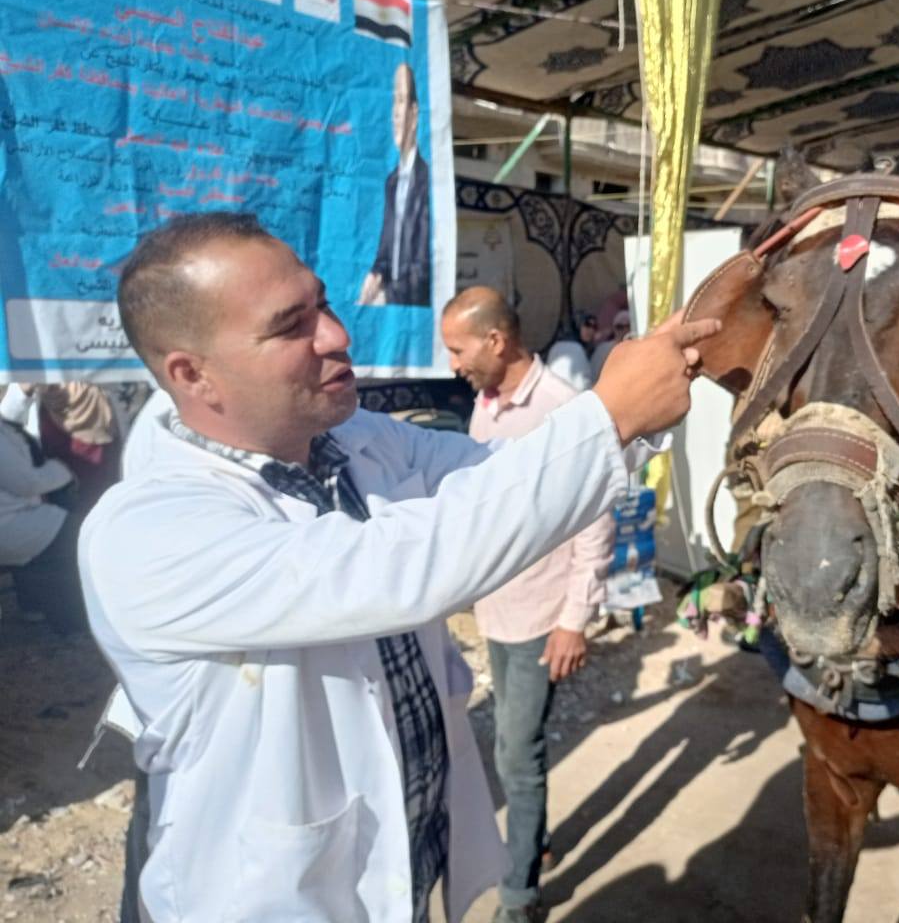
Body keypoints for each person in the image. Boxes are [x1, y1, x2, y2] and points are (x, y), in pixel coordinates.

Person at [79, 212, 718, 922]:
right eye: (291, 326)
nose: (337, 335)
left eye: (322, 303)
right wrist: (609, 417)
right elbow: (405, 561)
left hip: (406, 859)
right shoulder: (145, 534)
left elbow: (493, 474)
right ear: (192, 373)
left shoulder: (351, 440)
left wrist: (639, 401)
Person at [440, 289, 613, 922]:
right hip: (499, 610)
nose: (453, 363)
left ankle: (520, 896)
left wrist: (574, 620)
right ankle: (532, 843)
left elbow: (594, 521)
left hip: (542, 617)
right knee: (513, 749)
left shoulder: (561, 413)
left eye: (458, 349)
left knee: (518, 753)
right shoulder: (485, 407)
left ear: (496, 341)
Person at [0, 403, 80, 629]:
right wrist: (65, 469)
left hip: (12, 521)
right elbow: (28, 483)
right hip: (9, 525)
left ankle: (32, 606)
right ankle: (70, 621)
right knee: (76, 533)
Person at [359, 63, 432, 306]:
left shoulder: (428, 181)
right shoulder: (392, 182)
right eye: (393, 102)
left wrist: (390, 295)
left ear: (414, 113)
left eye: (400, 101)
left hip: (415, 306)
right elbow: (387, 251)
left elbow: (425, 264)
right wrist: (375, 275)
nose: (395, 113)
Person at [590, 308, 632, 382]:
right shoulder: (603, 349)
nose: (625, 330)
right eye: (620, 327)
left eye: (628, 326)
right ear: (614, 328)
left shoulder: (639, 348)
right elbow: (594, 375)